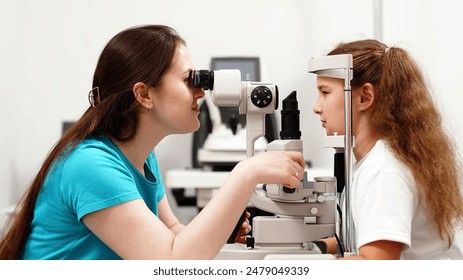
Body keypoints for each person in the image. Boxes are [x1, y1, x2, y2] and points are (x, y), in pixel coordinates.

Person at [0, 25, 305, 260]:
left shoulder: (143, 158)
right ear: (145, 94)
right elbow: (170, 262)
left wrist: (217, 230)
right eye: (189, 80)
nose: (201, 92)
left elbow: (172, 234)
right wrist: (246, 173)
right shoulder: (89, 164)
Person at [313, 39, 463, 259]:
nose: (317, 107)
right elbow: (361, 240)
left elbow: (377, 265)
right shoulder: (376, 160)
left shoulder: (383, 169)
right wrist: (314, 248)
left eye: (325, 92)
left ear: (364, 97)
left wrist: (302, 269)